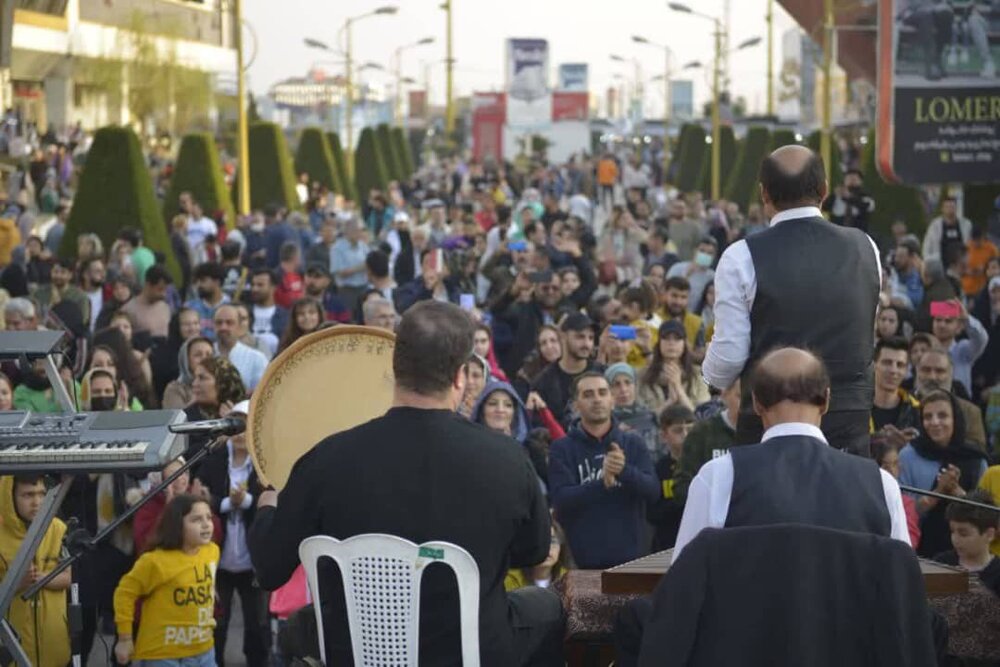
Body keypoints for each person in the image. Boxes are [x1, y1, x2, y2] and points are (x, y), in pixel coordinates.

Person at [249, 301, 564, 666]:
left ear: (393, 368)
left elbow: (270, 568)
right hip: (472, 652)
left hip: (356, 652)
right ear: (461, 376)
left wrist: (268, 505)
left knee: (302, 626)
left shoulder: (325, 459)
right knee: (550, 605)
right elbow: (534, 551)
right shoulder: (508, 458)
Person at [704, 146, 882, 455]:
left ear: (764, 195)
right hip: (847, 429)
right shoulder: (865, 246)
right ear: (825, 190)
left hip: (770, 426)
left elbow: (727, 360)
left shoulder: (740, 256)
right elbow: (866, 328)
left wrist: (706, 374)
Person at [673, 347, 910, 563]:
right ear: (826, 400)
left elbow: (684, 583)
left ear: (755, 403)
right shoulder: (881, 484)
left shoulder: (718, 477)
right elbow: (902, 586)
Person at [548, 372, 658, 569]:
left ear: (612, 400)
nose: (597, 399)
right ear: (575, 405)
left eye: (602, 392)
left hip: (634, 562)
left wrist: (624, 471)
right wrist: (602, 484)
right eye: (588, 394)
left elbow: (653, 492)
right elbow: (561, 499)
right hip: (585, 564)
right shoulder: (562, 448)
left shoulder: (633, 442)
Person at [196, 400, 268, 667]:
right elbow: (200, 496)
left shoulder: (263, 462)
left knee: (257, 625)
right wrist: (227, 503)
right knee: (217, 621)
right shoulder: (213, 460)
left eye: (244, 426)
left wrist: (247, 501)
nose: (239, 434)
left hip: (252, 561)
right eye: (234, 425)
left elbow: (271, 499)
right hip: (220, 559)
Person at [113, 495, 220, 667]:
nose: (206, 524)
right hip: (163, 656)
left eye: (209, 517)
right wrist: (125, 638)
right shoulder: (155, 561)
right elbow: (124, 593)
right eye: (196, 519)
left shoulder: (212, 551)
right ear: (177, 525)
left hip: (205, 652)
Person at [899, 390, 988, 557]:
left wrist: (956, 491)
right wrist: (938, 492)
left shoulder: (975, 459)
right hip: (920, 554)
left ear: (956, 418)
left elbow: (985, 517)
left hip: (969, 558)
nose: (935, 422)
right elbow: (903, 515)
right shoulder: (908, 456)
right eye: (927, 417)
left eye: (943, 416)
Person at [0, 475, 71, 667]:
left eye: (41, 494)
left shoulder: (57, 528)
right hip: (11, 648)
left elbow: (70, 578)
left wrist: (42, 578)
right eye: (28, 495)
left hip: (54, 647)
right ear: (9, 496)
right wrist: (15, 584)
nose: (37, 502)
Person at [672, 380, 741, 505]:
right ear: (725, 394)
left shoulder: (765, 430)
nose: (748, 404)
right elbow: (682, 487)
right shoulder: (702, 433)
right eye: (740, 397)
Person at [531, 313, 600, 426]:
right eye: (580, 337)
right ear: (563, 337)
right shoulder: (543, 382)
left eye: (591, 338)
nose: (587, 344)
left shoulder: (602, 374)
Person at [931, 490, 1000, 596]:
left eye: (963, 534)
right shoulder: (941, 563)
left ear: (989, 534)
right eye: (952, 531)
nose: (955, 539)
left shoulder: (997, 573)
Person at [647, 405, 695, 552]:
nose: (685, 434)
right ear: (663, 435)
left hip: (700, 540)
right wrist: (681, 499)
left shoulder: (707, 463)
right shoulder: (658, 469)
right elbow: (652, 513)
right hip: (668, 543)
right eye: (678, 430)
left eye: (690, 429)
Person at [638, 320, 710, 414]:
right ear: (659, 343)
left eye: (677, 338)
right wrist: (669, 402)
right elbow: (643, 418)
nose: (671, 343)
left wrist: (679, 389)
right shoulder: (643, 375)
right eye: (666, 338)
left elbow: (701, 416)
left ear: (684, 343)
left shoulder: (698, 375)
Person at [871, 337, 922, 449]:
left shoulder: (917, 410)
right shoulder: (856, 407)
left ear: (906, 370)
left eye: (900, 365)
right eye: (887, 363)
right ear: (874, 365)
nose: (893, 370)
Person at [930, 298, 988, 397]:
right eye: (938, 320)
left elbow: (981, 339)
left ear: (958, 328)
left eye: (948, 321)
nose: (942, 325)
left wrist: (966, 318)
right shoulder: (924, 350)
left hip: (961, 405)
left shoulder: (963, 350)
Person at [872, 441, 922, 549]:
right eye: (886, 467)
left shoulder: (906, 503)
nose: (893, 472)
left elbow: (910, 541)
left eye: (895, 464)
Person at [606, 363, 658, 460]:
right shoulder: (605, 421)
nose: (623, 389)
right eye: (616, 385)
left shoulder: (649, 416)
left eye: (628, 382)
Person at [656, 276, 706, 362]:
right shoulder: (653, 318)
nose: (678, 302)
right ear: (665, 294)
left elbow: (700, 356)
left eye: (683, 297)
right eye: (674, 296)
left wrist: (684, 348)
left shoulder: (697, 322)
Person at [120, 265, 173, 339]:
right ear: (148, 285)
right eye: (160, 289)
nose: (164, 294)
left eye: (165, 290)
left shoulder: (165, 308)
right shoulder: (129, 310)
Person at [666, 237, 717, 314]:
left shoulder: (714, 277)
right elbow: (667, 291)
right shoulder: (677, 268)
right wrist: (687, 274)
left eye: (710, 253)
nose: (705, 255)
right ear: (695, 251)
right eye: (702, 251)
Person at [330, 217, 370, 313]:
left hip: (364, 288)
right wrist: (361, 267)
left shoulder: (363, 245)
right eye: (359, 230)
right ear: (349, 231)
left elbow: (370, 261)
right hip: (347, 291)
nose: (361, 233)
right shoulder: (337, 248)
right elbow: (340, 273)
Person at [162, 337, 214, 409]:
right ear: (186, 360)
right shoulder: (175, 389)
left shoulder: (220, 385)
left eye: (209, 355)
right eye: (198, 355)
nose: (204, 359)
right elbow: (176, 418)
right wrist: (195, 401)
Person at [248, 269, 289, 357]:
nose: (254, 289)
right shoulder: (244, 313)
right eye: (253, 285)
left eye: (260, 285)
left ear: (273, 287)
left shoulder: (285, 316)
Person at [821, 168, 875, 232]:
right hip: (837, 232)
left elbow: (866, 206)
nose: (851, 182)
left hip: (858, 233)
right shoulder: (837, 196)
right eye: (849, 179)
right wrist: (833, 196)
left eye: (854, 179)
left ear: (860, 181)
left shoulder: (865, 197)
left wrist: (848, 198)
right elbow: (824, 207)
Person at [185, 262, 229, 341]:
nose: (198, 285)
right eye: (196, 282)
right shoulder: (189, 307)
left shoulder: (231, 307)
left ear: (217, 282)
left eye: (203, 280)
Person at [923, 197, 972, 265]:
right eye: (947, 207)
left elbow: (970, 244)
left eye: (952, 207)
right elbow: (927, 246)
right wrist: (927, 261)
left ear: (956, 208)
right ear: (942, 209)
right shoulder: (935, 225)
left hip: (961, 265)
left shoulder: (966, 224)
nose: (949, 209)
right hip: (940, 264)